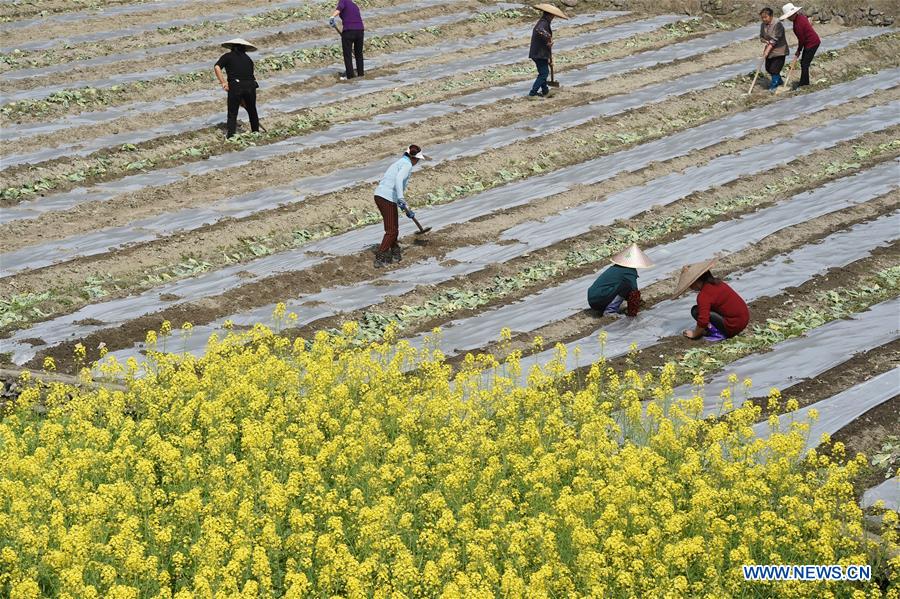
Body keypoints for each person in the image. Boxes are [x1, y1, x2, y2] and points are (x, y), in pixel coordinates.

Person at [372, 145, 430, 268]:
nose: (418, 162)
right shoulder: (407, 165)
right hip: (386, 197)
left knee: (393, 228)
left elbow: (392, 183)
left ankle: (395, 251)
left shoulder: (400, 162)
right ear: (414, 158)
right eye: (418, 160)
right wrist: (401, 199)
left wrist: (403, 206)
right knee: (391, 230)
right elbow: (398, 180)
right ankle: (380, 257)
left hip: (381, 196)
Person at [673, 259, 750, 342]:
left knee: (695, 311)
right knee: (703, 309)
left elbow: (703, 321)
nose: (690, 288)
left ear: (696, 282)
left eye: (690, 285)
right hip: (743, 320)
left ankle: (718, 333)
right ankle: (716, 329)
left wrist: (694, 334)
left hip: (733, 326)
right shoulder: (718, 283)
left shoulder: (704, 295)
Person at [587, 243, 652, 317]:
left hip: (593, 298)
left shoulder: (615, 268)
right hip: (599, 300)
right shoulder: (629, 272)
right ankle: (610, 311)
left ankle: (608, 307)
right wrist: (633, 311)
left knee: (624, 286)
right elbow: (634, 292)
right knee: (626, 288)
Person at [214, 38, 260, 139]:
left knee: (232, 113)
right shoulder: (249, 60)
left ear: (232, 47)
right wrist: (243, 99)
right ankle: (256, 132)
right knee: (252, 110)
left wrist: (223, 83)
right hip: (250, 86)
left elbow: (217, 67)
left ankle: (231, 136)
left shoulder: (227, 56)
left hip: (236, 85)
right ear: (244, 48)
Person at [528, 4, 568, 99]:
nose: (553, 18)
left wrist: (548, 52)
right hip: (539, 53)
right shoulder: (543, 23)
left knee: (543, 72)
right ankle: (532, 94)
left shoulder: (544, 22)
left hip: (540, 52)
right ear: (549, 15)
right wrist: (549, 37)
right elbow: (539, 30)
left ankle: (545, 91)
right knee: (544, 74)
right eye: (553, 16)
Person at [780, 3, 820, 90]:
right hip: (811, 42)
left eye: (789, 16)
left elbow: (802, 39)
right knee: (804, 63)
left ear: (794, 14)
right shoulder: (801, 17)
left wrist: (798, 51)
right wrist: (799, 50)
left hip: (812, 43)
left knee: (804, 64)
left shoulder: (797, 25)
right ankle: (804, 82)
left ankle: (804, 84)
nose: (789, 18)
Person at [331, 0, 364, 80]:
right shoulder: (355, 5)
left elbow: (339, 8)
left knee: (347, 55)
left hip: (349, 31)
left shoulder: (343, 1)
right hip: (360, 31)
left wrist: (332, 17)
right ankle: (361, 74)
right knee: (358, 54)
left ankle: (350, 76)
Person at [759, 7, 789, 91]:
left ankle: (774, 86)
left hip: (780, 50)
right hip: (770, 50)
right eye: (762, 18)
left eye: (765, 17)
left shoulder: (778, 24)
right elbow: (761, 37)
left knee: (774, 69)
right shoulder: (763, 25)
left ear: (771, 16)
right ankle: (779, 81)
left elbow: (775, 40)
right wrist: (765, 41)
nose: (764, 19)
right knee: (768, 68)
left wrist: (766, 51)